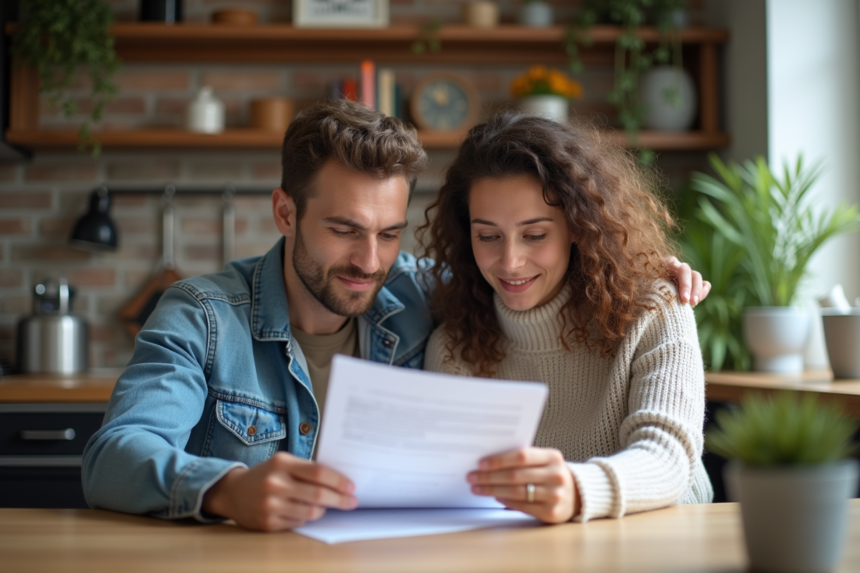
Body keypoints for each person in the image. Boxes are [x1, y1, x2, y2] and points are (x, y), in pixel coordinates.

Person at [82, 99, 709, 532]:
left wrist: (644, 271)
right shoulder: (203, 317)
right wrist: (220, 492)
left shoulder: (422, 295)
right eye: (344, 230)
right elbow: (113, 456)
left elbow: (526, 281)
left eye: (389, 234)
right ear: (285, 213)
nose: (369, 261)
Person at [421, 112, 713, 524]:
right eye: (487, 236)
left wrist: (579, 490)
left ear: (578, 226)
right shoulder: (454, 348)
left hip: (663, 542)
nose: (510, 261)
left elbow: (668, 459)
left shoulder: (654, 308)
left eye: (535, 235)